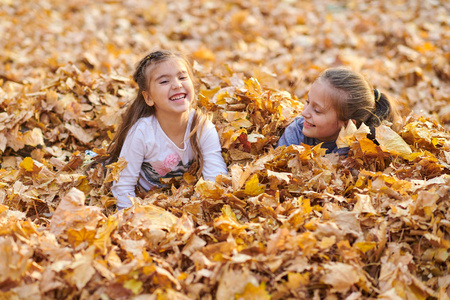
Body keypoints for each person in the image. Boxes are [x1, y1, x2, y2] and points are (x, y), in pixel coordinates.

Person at [106, 50, 228, 210]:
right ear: (149, 97)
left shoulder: (202, 127)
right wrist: (130, 219)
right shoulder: (142, 132)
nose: (177, 84)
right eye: (164, 81)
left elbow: (216, 176)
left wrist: (209, 210)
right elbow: (123, 185)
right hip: (145, 200)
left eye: (183, 77)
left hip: (182, 200)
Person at [277, 67, 401, 155]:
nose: (304, 113)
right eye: (308, 102)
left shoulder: (359, 150)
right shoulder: (296, 132)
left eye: (317, 110)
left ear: (347, 124)